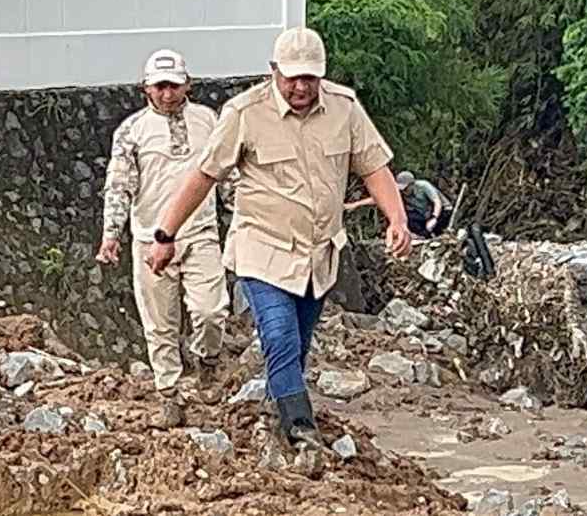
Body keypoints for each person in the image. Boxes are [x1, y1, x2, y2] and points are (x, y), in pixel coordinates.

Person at [146, 27, 411, 448]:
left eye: (310, 77)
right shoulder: (244, 113)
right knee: (279, 333)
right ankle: (300, 427)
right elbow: (204, 175)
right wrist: (165, 233)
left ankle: (276, 411)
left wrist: (396, 219)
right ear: (274, 71)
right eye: (292, 77)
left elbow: (374, 167)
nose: (301, 86)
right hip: (261, 247)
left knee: (298, 342)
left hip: (318, 252)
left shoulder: (344, 108)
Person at [97, 49, 236, 428]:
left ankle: (207, 360)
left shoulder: (209, 120)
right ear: (145, 89)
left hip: (201, 232)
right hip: (149, 240)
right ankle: (169, 396)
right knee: (159, 325)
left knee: (210, 310)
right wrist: (111, 234)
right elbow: (119, 186)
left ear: (187, 84)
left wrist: (241, 214)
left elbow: (225, 175)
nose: (168, 94)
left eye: (174, 86)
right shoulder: (131, 132)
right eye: (160, 86)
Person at [345, 170, 454, 238]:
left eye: (406, 188)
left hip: (439, 212)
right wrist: (355, 205)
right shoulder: (400, 192)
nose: (404, 191)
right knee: (406, 216)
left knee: (442, 218)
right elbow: (379, 199)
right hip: (424, 214)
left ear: (412, 184)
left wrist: (434, 218)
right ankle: (423, 236)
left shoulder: (423, 186)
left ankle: (439, 232)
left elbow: (437, 202)